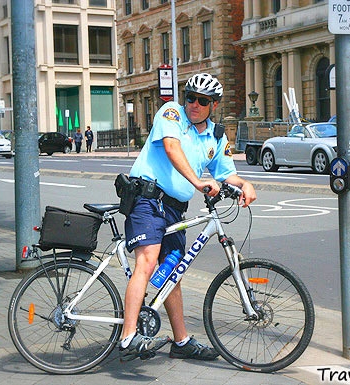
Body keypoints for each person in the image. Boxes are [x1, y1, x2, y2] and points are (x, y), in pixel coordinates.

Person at [118, 73, 257, 362]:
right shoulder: (171, 113)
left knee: (173, 273)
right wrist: (197, 182)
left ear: (213, 105)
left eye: (202, 100)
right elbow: (171, 147)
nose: (193, 104)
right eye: (190, 97)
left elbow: (226, 173)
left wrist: (244, 184)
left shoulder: (216, 136)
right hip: (147, 198)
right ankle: (128, 336)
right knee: (148, 259)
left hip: (174, 209)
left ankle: (180, 342)